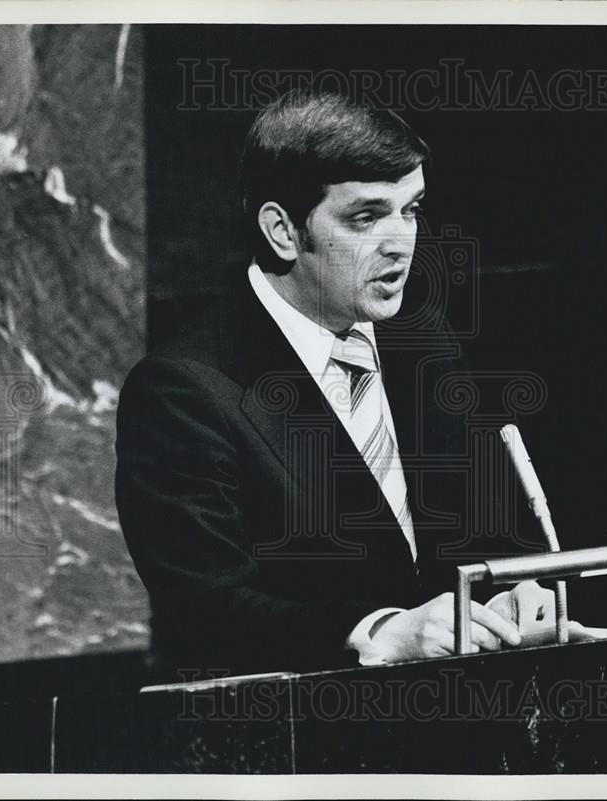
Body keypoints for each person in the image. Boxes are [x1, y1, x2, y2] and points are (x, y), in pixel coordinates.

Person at [116, 90, 554, 680]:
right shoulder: (183, 391)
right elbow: (206, 609)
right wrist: (376, 630)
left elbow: (484, 533)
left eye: (412, 209)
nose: (401, 242)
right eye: (366, 217)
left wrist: (513, 590)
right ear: (282, 231)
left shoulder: (424, 339)